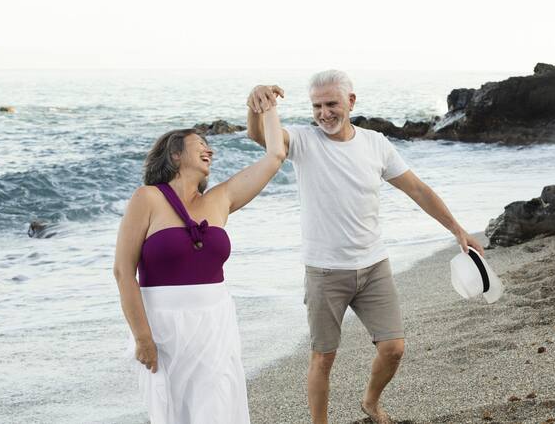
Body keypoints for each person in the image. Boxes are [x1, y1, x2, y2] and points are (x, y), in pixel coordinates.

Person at [247, 70, 484, 424]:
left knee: (394, 349)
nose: (324, 113)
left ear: (351, 101)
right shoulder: (302, 140)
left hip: (374, 266)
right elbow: (262, 137)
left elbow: (417, 189)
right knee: (323, 358)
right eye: (316, 106)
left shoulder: (376, 144)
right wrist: (257, 104)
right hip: (325, 271)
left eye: (331, 104)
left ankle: (371, 402)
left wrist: (457, 230)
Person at [113, 93, 285, 423]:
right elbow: (123, 272)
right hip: (163, 326)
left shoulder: (221, 199)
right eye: (200, 144)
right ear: (175, 154)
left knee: (217, 409)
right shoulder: (147, 198)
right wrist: (142, 337)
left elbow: (275, 155)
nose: (210, 150)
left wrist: (266, 107)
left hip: (215, 322)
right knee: (173, 414)